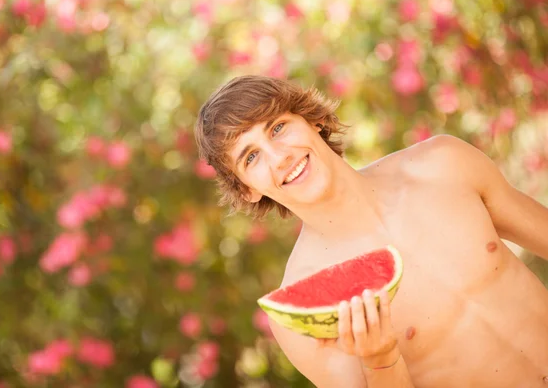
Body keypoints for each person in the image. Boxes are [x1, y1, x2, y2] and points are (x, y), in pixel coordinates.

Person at [194, 75, 548, 387]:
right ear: (246, 189)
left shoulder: (443, 164)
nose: (279, 156)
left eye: (278, 128)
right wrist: (380, 359)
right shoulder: (300, 319)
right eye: (251, 157)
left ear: (310, 120)